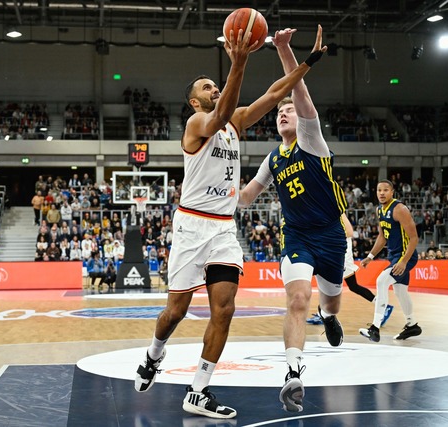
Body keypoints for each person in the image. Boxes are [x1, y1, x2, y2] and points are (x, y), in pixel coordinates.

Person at [134, 25, 327, 420]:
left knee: (224, 310)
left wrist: (308, 62)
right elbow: (221, 111)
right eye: (207, 87)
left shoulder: (235, 122)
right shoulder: (196, 126)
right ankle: (155, 354)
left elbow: (275, 93)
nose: (214, 90)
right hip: (190, 227)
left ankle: (198, 390)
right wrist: (238, 60)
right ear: (194, 101)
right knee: (176, 312)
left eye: (215, 84)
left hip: (222, 227)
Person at [238, 27, 341, 413]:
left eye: (287, 110)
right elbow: (247, 196)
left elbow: (299, 93)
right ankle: (293, 373)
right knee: (298, 299)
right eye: (278, 112)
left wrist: (283, 49)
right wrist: (217, 185)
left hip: (330, 235)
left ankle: (329, 318)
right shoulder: (272, 158)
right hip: (297, 236)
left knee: (331, 302)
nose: (282, 112)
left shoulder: (313, 140)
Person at [359, 179, 422, 343]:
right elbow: (382, 237)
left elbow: (414, 238)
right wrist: (370, 256)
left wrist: (403, 262)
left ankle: (375, 328)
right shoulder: (380, 210)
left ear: (392, 192)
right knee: (400, 291)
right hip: (395, 256)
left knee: (381, 281)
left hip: (405, 256)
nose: (381, 193)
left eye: (385, 190)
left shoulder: (399, 209)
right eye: (379, 190)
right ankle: (412, 325)